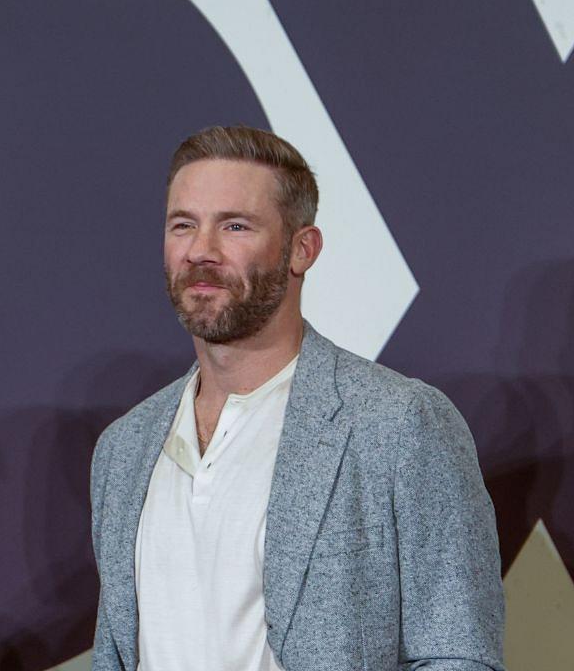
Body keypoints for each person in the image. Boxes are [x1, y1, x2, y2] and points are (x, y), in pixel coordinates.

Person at [89, 126, 504, 671]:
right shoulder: (123, 450)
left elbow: (459, 654)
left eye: (234, 226)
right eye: (183, 225)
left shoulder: (399, 425)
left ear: (301, 250)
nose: (200, 251)